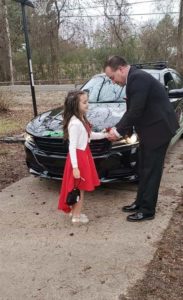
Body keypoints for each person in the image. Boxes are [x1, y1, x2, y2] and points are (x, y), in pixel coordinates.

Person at [104, 55, 179, 222]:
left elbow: (135, 111)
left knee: (151, 171)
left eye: (112, 77)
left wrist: (116, 132)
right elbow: (133, 109)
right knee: (143, 167)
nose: (113, 81)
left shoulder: (138, 79)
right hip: (149, 131)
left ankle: (147, 210)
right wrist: (122, 130)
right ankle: (139, 202)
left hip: (158, 131)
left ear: (121, 69)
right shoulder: (134, 79)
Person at [58, 90, 109, 224]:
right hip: (79, 159)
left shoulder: (81, 120)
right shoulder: (75, 124)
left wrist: (104, 135)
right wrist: (75, 167)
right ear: (75, 104)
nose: (87, 104)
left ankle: (75, 212)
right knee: (79, 189)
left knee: (77, 187)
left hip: (83, 155)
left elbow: (90, 135)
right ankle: (76, 217)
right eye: (84, 102)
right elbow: (72, 146)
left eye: (87, 101)